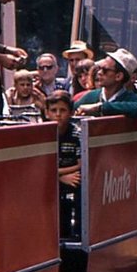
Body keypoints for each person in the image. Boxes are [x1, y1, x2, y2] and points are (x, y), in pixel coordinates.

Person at [45, 90, 82, 238]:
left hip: (71, 175)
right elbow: (41, 166)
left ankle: (77, 232)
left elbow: (81, 165)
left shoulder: (77, 134)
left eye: (63, 110)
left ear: (71, 112)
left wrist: (59, 174)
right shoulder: (42, 133)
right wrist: (59, 176)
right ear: (47, 113)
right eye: (54, 110)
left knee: (80, 182)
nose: (58, 114)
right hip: (51, 177)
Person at [75, 49, 137, 117]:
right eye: (99, 68)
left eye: (105, 70)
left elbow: (136, 108)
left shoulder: (131, 98)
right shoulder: (91, 96)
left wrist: (99, 107)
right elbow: (72, 108)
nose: (99, 73)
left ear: (118, 76)